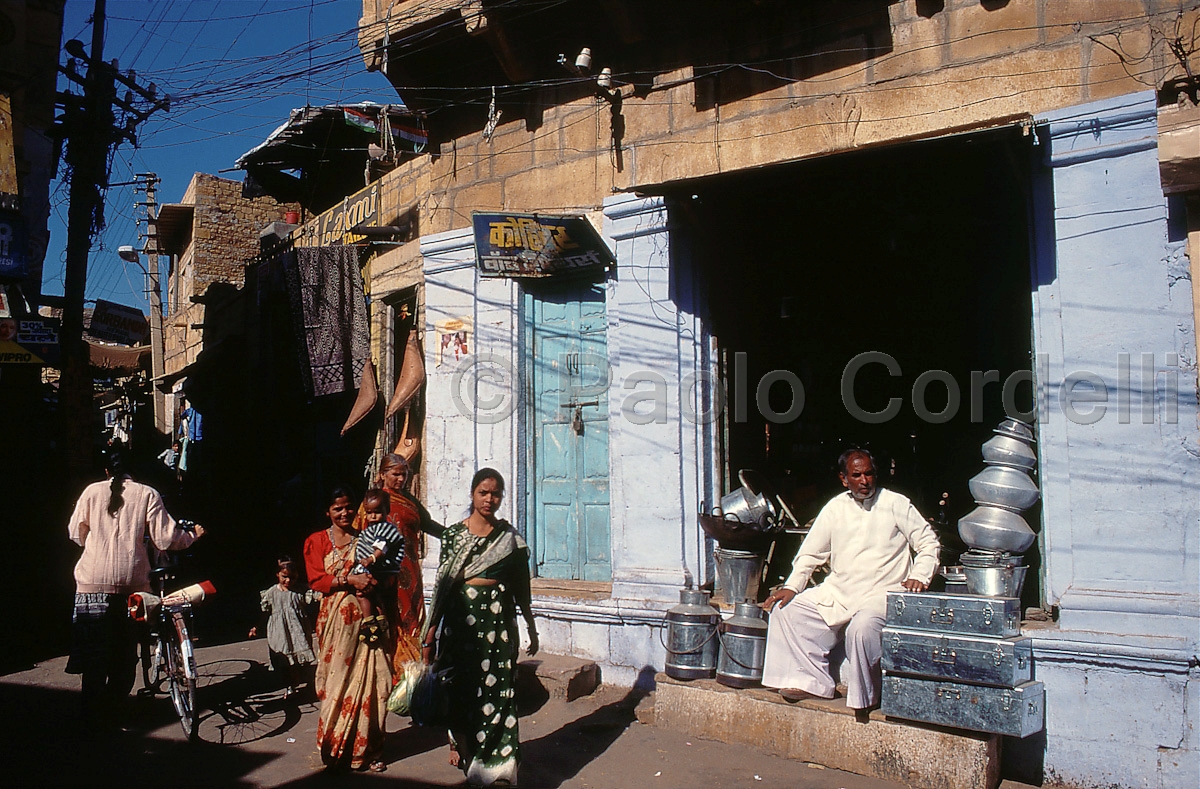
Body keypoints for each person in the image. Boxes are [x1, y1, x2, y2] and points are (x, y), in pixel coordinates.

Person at [760, 448, 939, 715]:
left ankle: (865, 699)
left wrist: (919, 575)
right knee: (787, 610)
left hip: (883, 594)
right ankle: (811, 682)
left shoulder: (895, 503)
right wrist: (792, 586)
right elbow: (810, 553)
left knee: (861, 629)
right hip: (841, 590)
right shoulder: (835, 507)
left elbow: (928, 542)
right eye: (857, 475)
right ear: (844, 479)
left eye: (868, 474)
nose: (864, 481)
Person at [66, 451, 204, 725]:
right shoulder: (147, 494)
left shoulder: (91, 492)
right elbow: (166, 539)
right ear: (137, 473)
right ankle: (114, 710)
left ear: (107, 471)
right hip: (133, 585)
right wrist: (192, 536)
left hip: (92, 582)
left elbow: (75, 534)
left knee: (94, 652)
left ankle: (90, 714)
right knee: (125, 651)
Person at [422, 468, 538, 787]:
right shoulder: (453, 536)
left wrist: (531, 626)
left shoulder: (510, 539)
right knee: (462, 690)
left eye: (496, 493)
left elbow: (521, 587)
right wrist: (430, 633)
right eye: (483, 492)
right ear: (472, 494)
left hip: (499, 625)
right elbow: (443, 585)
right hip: (461, 623)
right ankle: (467, 753)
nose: (490, 499)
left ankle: (500, 767)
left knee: (500, 692)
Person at [304, 487, 391, 772]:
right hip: (335, 622)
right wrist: (349, 581)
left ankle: (367, 748)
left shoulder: (366, 539)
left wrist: (370, 584)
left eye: (348, 507)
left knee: (373, 681)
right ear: (327, 512)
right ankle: (335, 746)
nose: (344, 513)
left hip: (367, 623)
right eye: (337, 508)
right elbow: (317, 579)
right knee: (336, 681)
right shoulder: (316, 541)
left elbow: (381, 573)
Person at [355, 454, 442, 670]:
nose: (401, 479)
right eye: (396, 474)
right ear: (382, 475)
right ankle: (390, 675)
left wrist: (457, 535)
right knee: (389, 618)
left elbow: (429, 524)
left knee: (411, 618)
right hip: (385, 570)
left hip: (410, 572)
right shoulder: (374, 503)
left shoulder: (409, 501)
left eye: (404, 475)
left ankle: (410, 675)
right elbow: (360, 534)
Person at [248, 555, 318, 698]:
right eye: (284, 577)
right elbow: (264, 613)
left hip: (298, 631)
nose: (288, 581)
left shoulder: (302, 591)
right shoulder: (270, 593)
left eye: (292, 577)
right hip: (279, 632)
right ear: (277, 574)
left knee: (301, 659)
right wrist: (256, 627)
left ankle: (307, 681)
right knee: (284, 660)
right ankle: (289, 686)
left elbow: (317, 600)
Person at [350, 489, 405, 644]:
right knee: (373, 595)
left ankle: (370, 621)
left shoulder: (386, 528)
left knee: (363, 593)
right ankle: (378, 620)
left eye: (377, 512)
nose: (372, 516)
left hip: (379, 568)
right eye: (369, 512)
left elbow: (382, 546)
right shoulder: (369, 529)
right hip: (371, 568)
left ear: (386, 511)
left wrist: (370, 559)